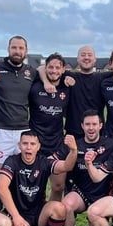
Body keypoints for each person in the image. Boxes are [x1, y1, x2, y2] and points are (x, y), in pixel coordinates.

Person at [0, 131, 77, 226]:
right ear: (19, 145)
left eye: (32, 144)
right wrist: (16, 217)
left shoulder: (43, 162)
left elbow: (67, 166)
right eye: (25, 143)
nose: (28, 147)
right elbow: (1, 188)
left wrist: (73, 151)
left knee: (60, 208)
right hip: (18, 213)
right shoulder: (12, 161)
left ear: (38, 146)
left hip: (39, 214)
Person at [62, 110, 113, 226]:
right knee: (66, 205)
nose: (91, 128)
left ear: (101, 125)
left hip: (102, 197)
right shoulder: (74, 145)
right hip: (81, 194)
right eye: (87, 124)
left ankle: (95, 223)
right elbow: (55, 161)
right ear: (82, 126)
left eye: (94, 124)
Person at [29, 53, 71, 201]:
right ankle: (36, 219)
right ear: (45, 68)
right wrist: (46, 81)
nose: (54, 70)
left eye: (57, 68)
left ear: (63, 69)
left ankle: (53, 219)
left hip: (56, 143)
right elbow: (38, 69)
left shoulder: (67, 87)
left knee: (58, 186)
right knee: (35, 186)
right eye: (50, 67)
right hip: (36, 144)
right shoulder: (35, 85)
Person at [0, 36, 36, 167]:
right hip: (0, 130)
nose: (17, 51)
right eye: (14, 47)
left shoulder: (31, 72)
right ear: (8, 49)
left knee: (23, 171)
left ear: (26, 51)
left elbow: (43, 70)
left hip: (23, 130)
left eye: (21, 48)